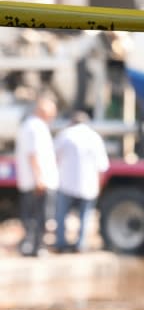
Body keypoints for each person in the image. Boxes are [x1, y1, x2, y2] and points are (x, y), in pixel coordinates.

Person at [53, 111, 110, 252]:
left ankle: (61, 243)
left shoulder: (65, 135)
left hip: (66, 182)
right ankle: (80, 244)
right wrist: (99, 185)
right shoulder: (94, 137)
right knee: (85, 216)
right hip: (88, 184)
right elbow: (102, 166)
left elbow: (54, 157)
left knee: (61, 214)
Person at [14, 97, 59, 256]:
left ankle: (32, 246)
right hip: (38, 181)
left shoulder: (31, 126)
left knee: (33, 215)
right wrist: (39, 178)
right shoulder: (35, 127)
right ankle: (35, 247)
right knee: (38, 216)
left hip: (33, 180)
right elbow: (33, 154)